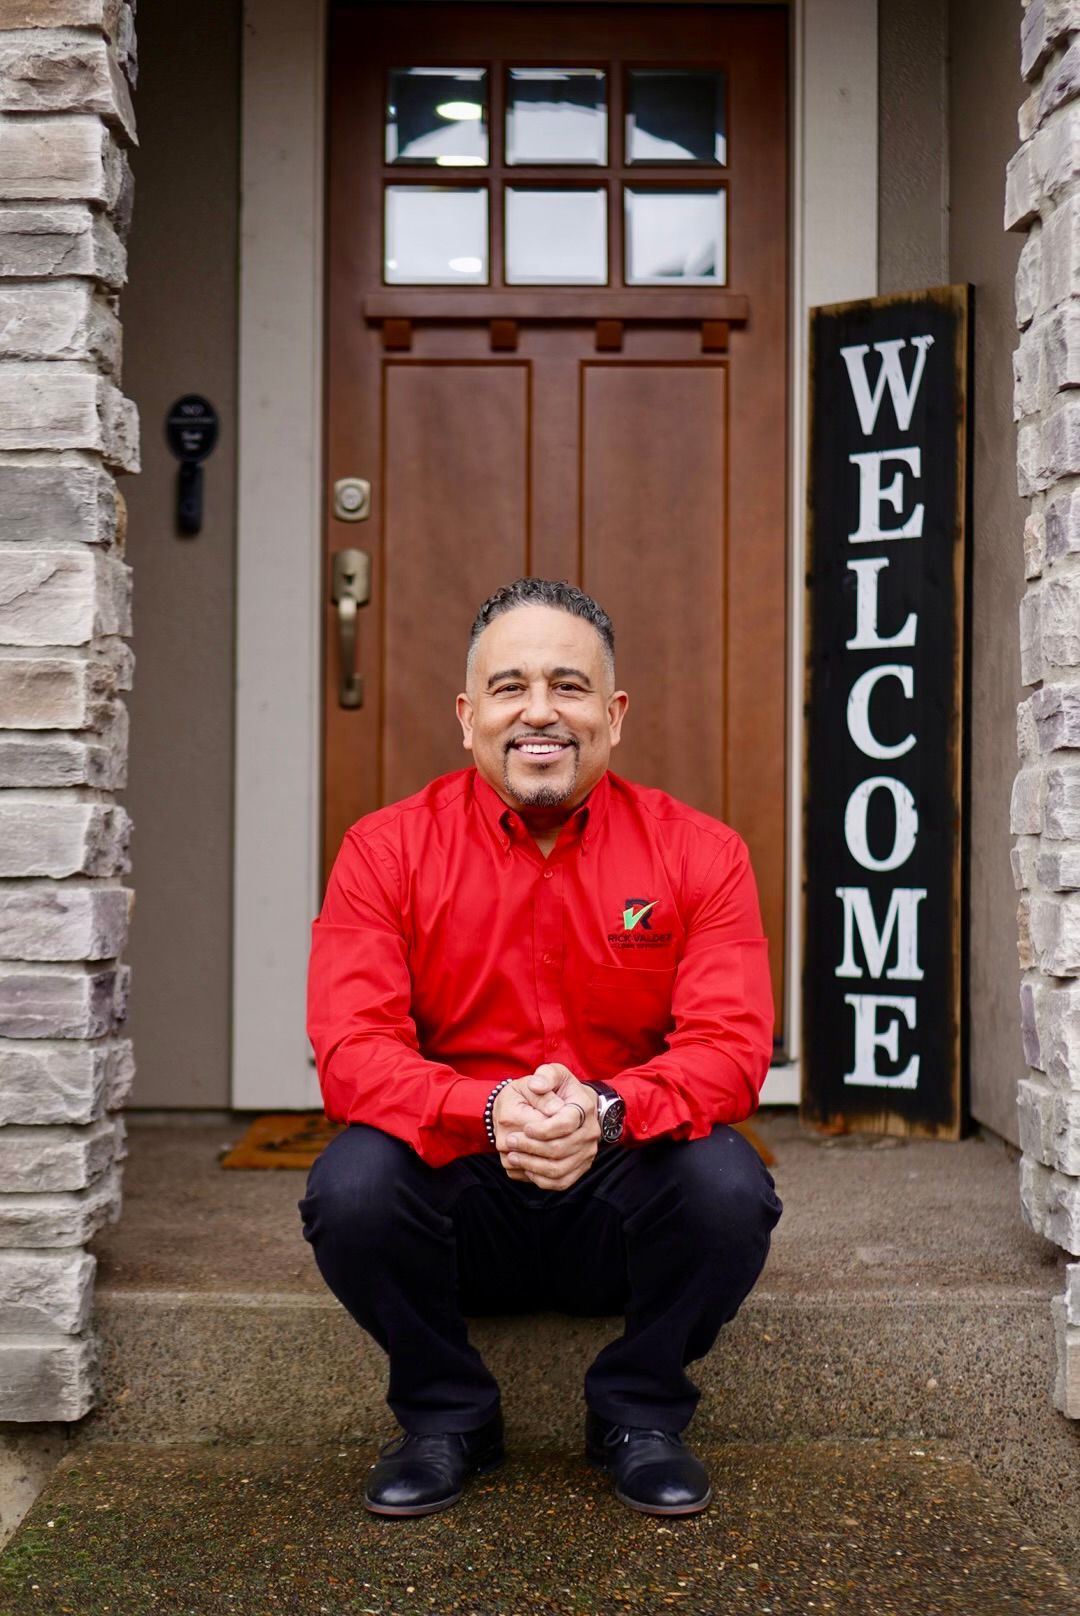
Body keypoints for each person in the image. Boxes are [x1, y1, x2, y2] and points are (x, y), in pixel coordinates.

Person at [301, 578, 782, 1519]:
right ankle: (447, 1419)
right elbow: (351, 1048)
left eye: (568, 685)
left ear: (613, 712)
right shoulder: (384, 851)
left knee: (730, 1187)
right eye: (510, 686)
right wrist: (484, 1111)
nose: (539, 712)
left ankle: (639, 1415)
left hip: (619, 1197)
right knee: (350, 1187)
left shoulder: (702, 854)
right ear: (468, 714)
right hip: (462, 1196)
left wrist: (606, 1112)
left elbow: (731, 1048)